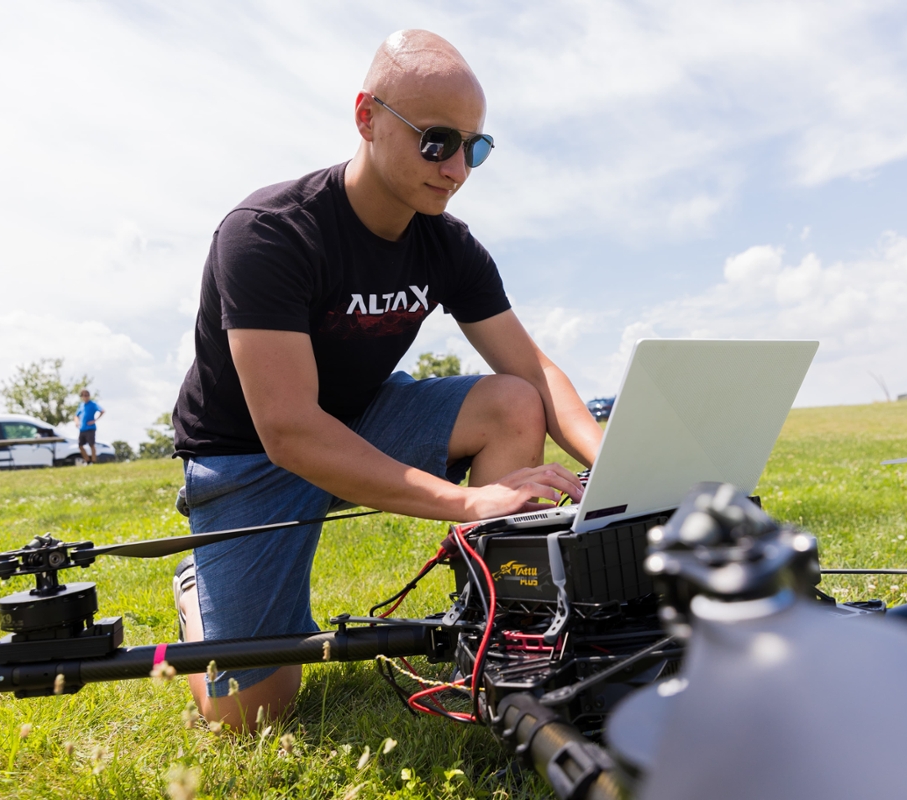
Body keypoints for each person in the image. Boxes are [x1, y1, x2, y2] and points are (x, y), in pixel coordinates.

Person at [171, 29, 603, 730]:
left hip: (360, 419)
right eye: (438, 141)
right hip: (247, 455)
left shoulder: (447, 242)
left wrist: (609, 463)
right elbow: (288, 429)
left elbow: (531, 369)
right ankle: (202, 597)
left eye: (476, 147)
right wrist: (467, 503)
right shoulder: (268, 233)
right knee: (249, 720)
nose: (457, 167)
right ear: (367, 119)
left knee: (512, 402)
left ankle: (503, 641)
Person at [74, 390, 104, 464]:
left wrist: (95, 420)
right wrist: (77, 422)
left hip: (90, 428)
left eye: (87, 395)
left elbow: (102, 411)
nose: (85, 397)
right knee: (80, 445)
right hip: (82, 428)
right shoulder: (81, 405)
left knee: (92, 445)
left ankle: (93, 461)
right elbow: (76, 415)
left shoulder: (93, 404)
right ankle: (87, 460)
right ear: (82, 397)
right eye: (84, 395)